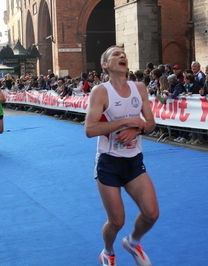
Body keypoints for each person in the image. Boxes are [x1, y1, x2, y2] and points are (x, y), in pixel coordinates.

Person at [85, 45, 159, 266]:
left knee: (151, 214)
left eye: (123, 53)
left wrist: (137, 129)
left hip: (134, 161)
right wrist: (127, 121)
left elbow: (151, 123)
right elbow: (90, 129)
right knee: (116, 221)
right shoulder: (101, 91)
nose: (122, 56)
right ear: (105, 65)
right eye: (115, 54)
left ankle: (133, 242)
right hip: (109, 163)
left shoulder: (140, 87)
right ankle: (107, 251)